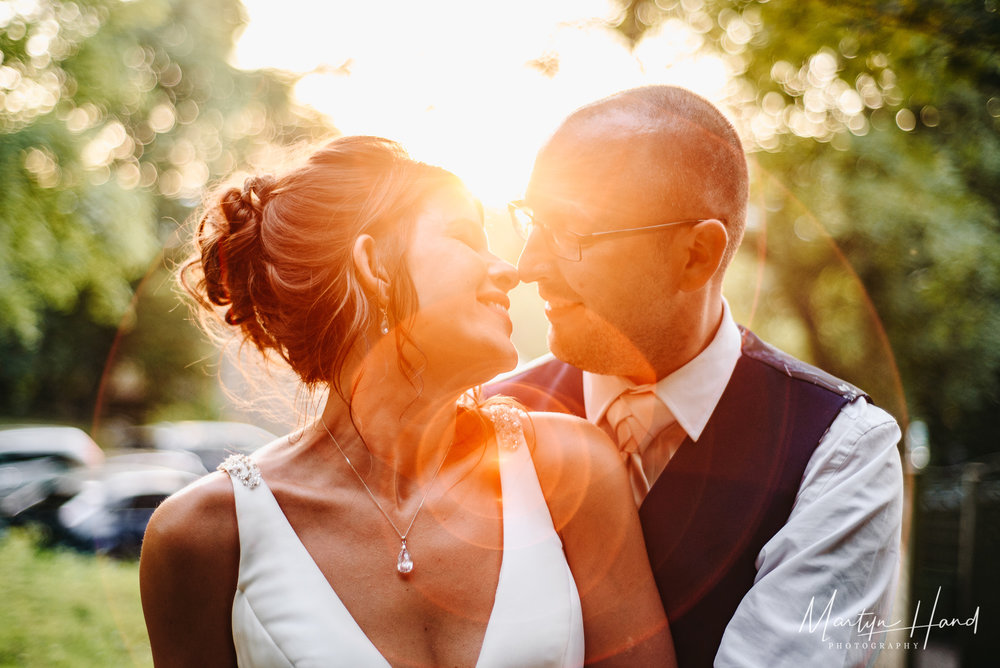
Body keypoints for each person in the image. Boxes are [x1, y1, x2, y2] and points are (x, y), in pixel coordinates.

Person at [138, 135, 673, 667]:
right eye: (466, 237)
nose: (509, 270)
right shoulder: (205, 537)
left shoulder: (570, 470)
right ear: (375, 266)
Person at [489, 86, 904, 667]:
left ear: (696, 256)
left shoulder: (839, 452)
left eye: (571, 234)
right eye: (532, 221)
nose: (528, 264)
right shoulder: (488, 419)